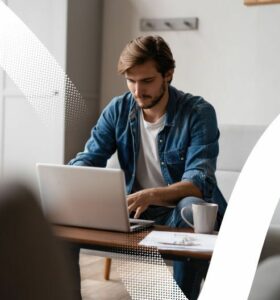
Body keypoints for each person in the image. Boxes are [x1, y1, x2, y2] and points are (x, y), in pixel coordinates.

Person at [69, 35, 227, 300]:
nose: (137, 91)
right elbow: (90, 158)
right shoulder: (118, 110)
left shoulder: (198, 113)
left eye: (147, 81)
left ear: (168, 74)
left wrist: (151, 194)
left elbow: (198, 182)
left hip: (184, 212)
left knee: (190, 206)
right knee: (62, 221)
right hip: (136, 213)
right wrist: (67, 181)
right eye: (131, 80)